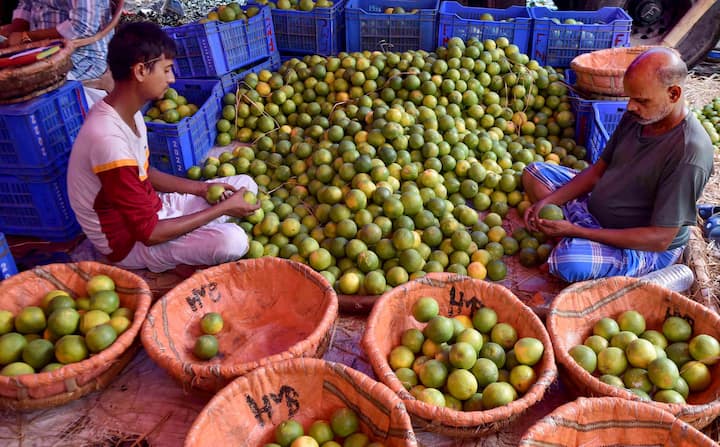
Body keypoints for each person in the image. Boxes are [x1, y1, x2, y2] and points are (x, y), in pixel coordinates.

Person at [67, 21, 259, 274]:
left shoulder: (127, 112)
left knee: (246, 185)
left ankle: (199, 231)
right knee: (233, 240)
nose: (172, 78)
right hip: (127, 243)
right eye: (166, 69)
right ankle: (174, 261)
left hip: (153, 208)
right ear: (140, 71)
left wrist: (204, 188)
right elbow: (149, 234)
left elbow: (146, 173)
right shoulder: (108, 142)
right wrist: (222, 209)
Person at [522, 47, 714, 282]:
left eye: (641, 100)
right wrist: (549, 201)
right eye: (630, 97)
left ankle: (577, 237)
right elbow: (598, 170)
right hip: (596, 209)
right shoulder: (639, 115)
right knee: (534, 172)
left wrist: (577, 231)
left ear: (673, 94)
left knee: (569, 261)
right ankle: (575, 232)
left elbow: (660, 238)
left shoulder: (689, 153)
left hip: (645, 246)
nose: (631, 106)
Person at [0, 0, 115, 101]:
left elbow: (82, 26)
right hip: (41, 51)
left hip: (81, 56)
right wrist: (13, 40)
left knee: (21, 88)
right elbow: (26, 4)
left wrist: (26, 36)